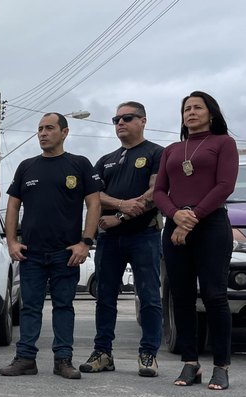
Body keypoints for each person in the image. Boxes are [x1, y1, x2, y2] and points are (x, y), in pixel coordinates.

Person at [0, 113, 101, 379]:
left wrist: (85, 242)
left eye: (49, 128)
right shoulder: (26, 167)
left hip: (66, 253)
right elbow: (12, 205)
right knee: (29, 307)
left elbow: (94, 204)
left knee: (64, 306)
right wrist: (12, 242)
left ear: (64, 132)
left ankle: (63, 360)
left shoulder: (79, 164)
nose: (43, 133)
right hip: (31, 253)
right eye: (40, 129)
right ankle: (25, 359)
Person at [153, 91, 238, 390]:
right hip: (175, 227)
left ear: (210, 113)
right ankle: (191, 363)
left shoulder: (223, 143)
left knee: (215, 296)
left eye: (197, 108)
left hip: (211, 225)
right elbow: (159, 191)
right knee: (182, 297)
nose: (191, 112)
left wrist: (192, 217)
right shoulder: (172, 149)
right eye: (186, 108)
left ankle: (221, 366)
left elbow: (225, 185)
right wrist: (177, 216)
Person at [80, 102, 165, 377]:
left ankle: (148, 354)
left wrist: (122, 216)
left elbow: (155, 192)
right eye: (116, 119)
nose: (120, 123)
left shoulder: (156, 153)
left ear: (143, 120)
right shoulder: (106, 160)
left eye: (127, 118)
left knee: (150, 296)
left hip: (145, 236)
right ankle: (103, 353)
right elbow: (93, 195)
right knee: (105, 297)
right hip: (109, 239)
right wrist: (121, 204)